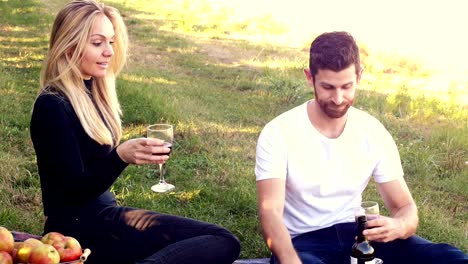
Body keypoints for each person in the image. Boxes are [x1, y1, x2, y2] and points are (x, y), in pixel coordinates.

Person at [30, 1, 240, 263]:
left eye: (111, 42)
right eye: (97, 43)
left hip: (104, 218)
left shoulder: (92, 93)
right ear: (69, 45)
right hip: (77, 228)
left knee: (220, 242)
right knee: (221, 240)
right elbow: (74, 192)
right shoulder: (52, 105)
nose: (108, 51)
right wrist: (120, 156)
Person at [255, 31, 467, 264]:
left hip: (360, 235)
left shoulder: (372, 131)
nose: (338, 98)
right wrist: (290, 261)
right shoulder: (279, 132)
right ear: (309, 77)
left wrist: (400, 225)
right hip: (304, 242)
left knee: (451, 258)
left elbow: (405, 207)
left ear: (360, 76)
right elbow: (270, 213)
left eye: (347, 86)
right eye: (328, 87)